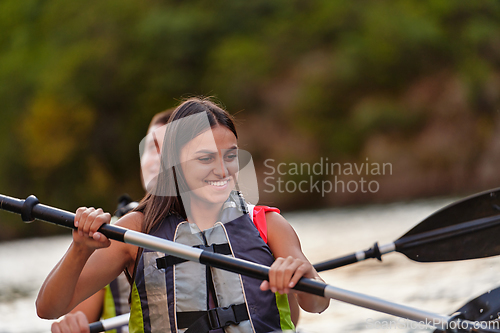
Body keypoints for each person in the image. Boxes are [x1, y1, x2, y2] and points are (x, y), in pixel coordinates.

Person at [37, 97, 328, 333]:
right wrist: (79, 249)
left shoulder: (268, 224)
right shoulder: (136, 230)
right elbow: (49, 309)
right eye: (205, 158)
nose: (223, 170)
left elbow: (317, 304)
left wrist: (302, 277)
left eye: (230, 155)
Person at [50, 110, 173, 333]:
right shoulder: (111, 234)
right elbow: (55, 309)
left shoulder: (218, 226)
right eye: (150, 148)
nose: (157, 158)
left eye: (166, 150)